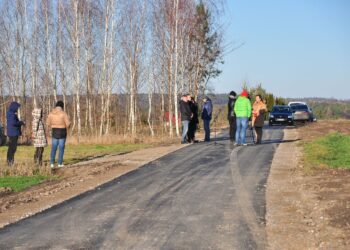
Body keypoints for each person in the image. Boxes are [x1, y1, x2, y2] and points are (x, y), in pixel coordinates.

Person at [47, 101, 70, 168]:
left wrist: (52, 125)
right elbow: (68, 123)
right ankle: (60, 163)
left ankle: (52, 163)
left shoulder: (51, 113)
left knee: (53, 147)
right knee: (61, 148)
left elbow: (48, 123)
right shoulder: (63, 113)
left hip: (54, 131)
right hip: (62, 132)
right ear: (62, 106)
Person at [6, 101, 25, 166]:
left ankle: (9, 161)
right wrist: (21, 122)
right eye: (17, 107)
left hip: (12, 133)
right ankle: (10, 162)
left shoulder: (10, 113)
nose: (17, 109)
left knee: (11, 148)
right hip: (13, 133)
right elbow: (14, 123)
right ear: (14, 107)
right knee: (12, 148)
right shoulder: (11, 114)